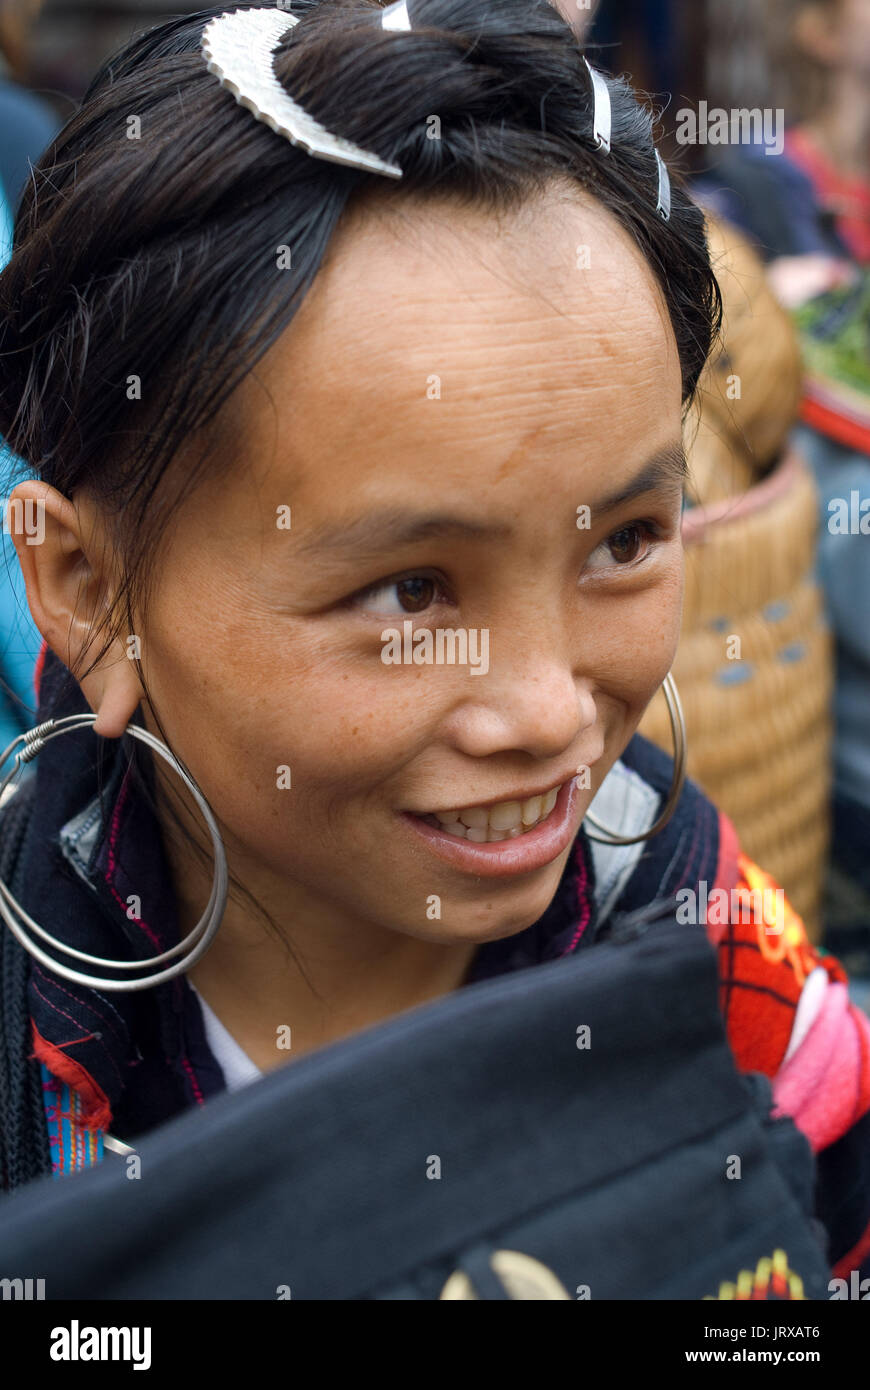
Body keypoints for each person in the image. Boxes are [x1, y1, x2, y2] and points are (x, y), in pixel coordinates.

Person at [0, 0, 868, 1294]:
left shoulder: (748, 998)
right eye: (408, 588)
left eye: (623, 540)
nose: (544, 713)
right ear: (85, 585)